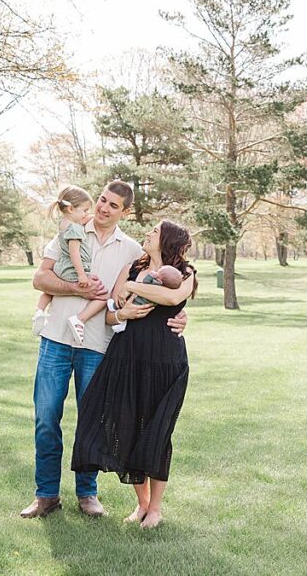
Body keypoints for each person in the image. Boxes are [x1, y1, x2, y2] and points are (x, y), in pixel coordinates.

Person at [19, 181, 187, 519]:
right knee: (46, 419)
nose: (103, 208)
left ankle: (87, 494)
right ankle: (46, 495)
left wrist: (180, 315)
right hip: (55, 339)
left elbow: (160, 286)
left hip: (98, 345)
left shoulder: (130, 251)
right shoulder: (70, 231)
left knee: (92, 421)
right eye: (101, 200)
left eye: (113, 205)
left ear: (125, 212)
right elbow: (40, 279)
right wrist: (76, 287)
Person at [71, 220, 197, 529]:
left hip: (165, 360)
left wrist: (132, 287)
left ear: (166, 240)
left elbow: (170, 298)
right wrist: (122, 312)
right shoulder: (130, 267)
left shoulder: (186, 273)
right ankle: (141, 504)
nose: (148, 233)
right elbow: (111, 313)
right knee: (127, 428)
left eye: (154, 231)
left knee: (157, 432)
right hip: (126, 356)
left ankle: (155, 509)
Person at [32, 185, 108, 347]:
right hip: (73, 269)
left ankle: (39, 311)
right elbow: (75, 253)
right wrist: (81, 275)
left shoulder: (65, 223)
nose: (87, 214)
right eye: (85, 210)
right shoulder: (75, 229)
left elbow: (79, 220)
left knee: (49, 290)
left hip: (60, 267)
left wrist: (85, 217)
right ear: (71, 208)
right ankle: (79, 320)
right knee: (102, 296)